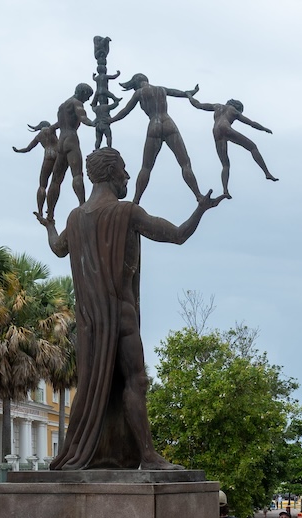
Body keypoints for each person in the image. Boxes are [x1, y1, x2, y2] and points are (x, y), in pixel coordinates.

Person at [38, 148, 223, 470]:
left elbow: (57, 248)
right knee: (135, 382)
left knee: (93, 385)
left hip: (90, 324)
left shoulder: (75, 217)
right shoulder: (128, 212)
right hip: (120, 317)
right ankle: (148, 456)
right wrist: (201, 209)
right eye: (124, 170)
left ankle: (100, 451)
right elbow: (177, 235)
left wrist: (49, 225)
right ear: (110, 173)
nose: (127, 177)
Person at [110, 73, 204, 203]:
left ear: (136, 83)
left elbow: (125, 111)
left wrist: (110, 120)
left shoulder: (139, 93)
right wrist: (190, 93)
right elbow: (180, 93)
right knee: (185, 163)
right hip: (168, 123)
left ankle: (136, 200)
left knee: (146, 167)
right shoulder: (161, 89)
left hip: (154, 124)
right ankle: (198, 195)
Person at [187, 96, 278, 198]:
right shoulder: (233, 110)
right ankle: (267, 173)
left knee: (225, 165)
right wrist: (264, 128)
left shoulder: (217, 106)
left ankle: (225, 190)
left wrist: (189, 95)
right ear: (237, 107)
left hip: (216, 132)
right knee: (253, 147)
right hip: (225, 128)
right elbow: (251, 123)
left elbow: (198, 105)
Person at [44, 83, 93, 219]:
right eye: (87, 96)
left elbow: (58, 124)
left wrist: (52, 128)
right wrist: (95, 123)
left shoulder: (62, 106)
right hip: (71, 139)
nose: (88, 100)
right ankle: (83, 205)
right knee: (77, 175)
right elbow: (83, 118)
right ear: (82, 92)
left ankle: (50, 212)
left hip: (61, 141)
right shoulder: (77, 103)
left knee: (56, 179)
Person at [13, 121, 60, 217]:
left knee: (42, 185)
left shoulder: (39, 136)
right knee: (55, 182)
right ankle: (50, 209)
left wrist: (18, 150)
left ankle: (40, 210)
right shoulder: (51, 130)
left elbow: (28, 148)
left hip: (47, 156)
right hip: (57, 155)